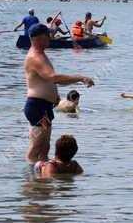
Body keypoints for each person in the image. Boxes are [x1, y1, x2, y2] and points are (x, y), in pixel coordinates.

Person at [23, 24, 94, 162]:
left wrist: (57, 94)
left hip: (44, 106)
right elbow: (53, 77)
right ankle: (30, 177)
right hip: (37, 107)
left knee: (45, 147)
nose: (50, 37)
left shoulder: (42, 55)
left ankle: (42, 180)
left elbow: (52, 81)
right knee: (36, 147)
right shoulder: (35, 57)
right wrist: (80, 77)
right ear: (40, 38)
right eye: (47, 35)